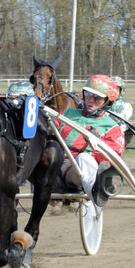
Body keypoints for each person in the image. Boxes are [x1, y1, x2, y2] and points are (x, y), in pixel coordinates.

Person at [54, 74, 126, 207]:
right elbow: (51, 128)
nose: (90, 100)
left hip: (80, 168)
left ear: (107, 101)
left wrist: (94, 146)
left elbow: (113, 157)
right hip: (58, 165)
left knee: (84, 158)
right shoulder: (68, 114)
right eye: (87, 94)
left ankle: (96, 194)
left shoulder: (112, 127)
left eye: (97, 97)